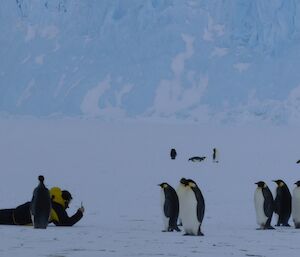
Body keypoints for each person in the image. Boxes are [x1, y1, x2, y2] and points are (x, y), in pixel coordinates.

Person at [0, 187, 84, 226]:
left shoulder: (50, 202)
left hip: (18, 211)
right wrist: (79, 213)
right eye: (68, 202)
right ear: (64, 200)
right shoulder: (57, 207)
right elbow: (66, 222)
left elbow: (57, 221)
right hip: (20, 218)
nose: (68, 206)